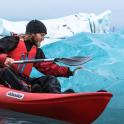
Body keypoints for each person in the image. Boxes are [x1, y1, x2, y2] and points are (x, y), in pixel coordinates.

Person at [0, 19, 77, 93]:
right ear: (32, 34)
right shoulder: (13, 41)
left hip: (23, 81)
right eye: (41, 35)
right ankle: (28, 91)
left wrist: (68, 72)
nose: (43, 39)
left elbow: (48, 67)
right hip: (5, 78)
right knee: (5, 71)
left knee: (50, 79)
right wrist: (5, 59)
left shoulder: (37, 51)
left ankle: (55, 94)